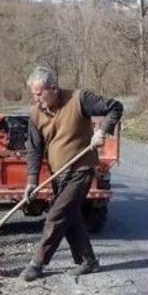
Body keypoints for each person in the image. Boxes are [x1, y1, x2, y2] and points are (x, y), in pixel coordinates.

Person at [20, 66, 123, 282]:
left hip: (81, 169)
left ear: (53, 88)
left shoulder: (79, 99)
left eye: (39, 94)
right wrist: (31, 181)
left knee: (56, 215)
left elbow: (115, 107)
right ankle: (88, 261)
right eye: (34, 94)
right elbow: (35, 150)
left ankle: (37, 263)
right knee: (70, 216)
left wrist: (102, 131)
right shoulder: (35, 113)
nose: (36, 99)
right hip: (58, 174)